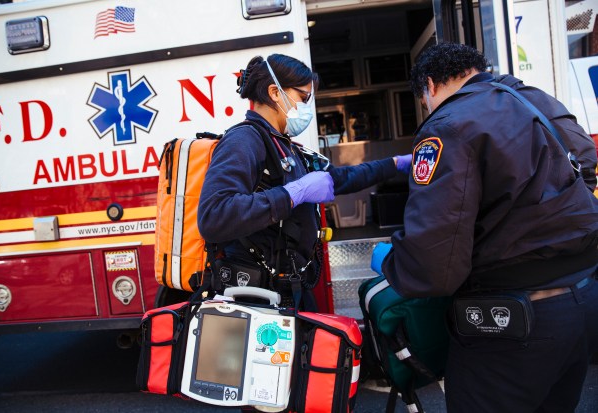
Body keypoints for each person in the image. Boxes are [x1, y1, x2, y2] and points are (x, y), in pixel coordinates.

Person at [381, 42, 598, 412]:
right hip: (582, 300)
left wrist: (393, 263)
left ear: (429, 86)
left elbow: (435, 262)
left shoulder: (447, 125)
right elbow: (587, 169)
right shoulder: (537, 101)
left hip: (514, 319)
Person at [198, 53, 412, 308]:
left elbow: (339, 179)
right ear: (275, 92)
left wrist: (395, 164)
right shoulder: (243, 141)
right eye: (303, 97)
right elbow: (213, 216)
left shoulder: (283, 145)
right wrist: (293, 193)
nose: (307, 106)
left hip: (287, 289)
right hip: (256, 297)